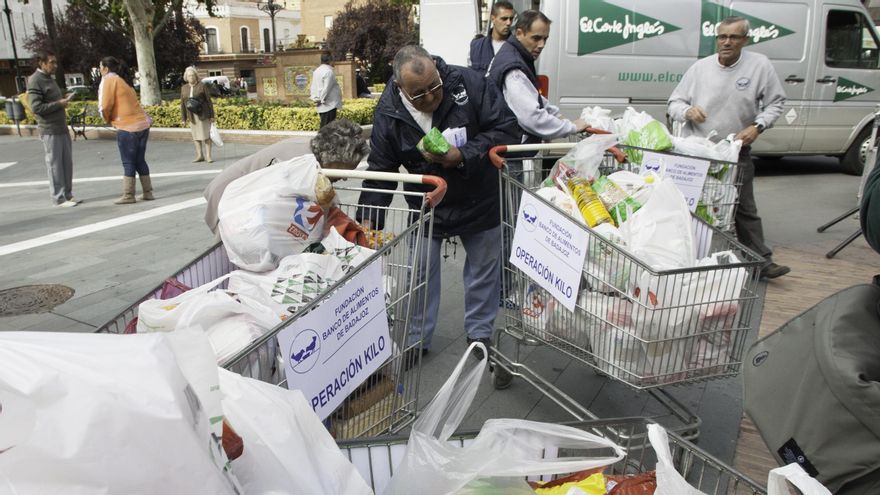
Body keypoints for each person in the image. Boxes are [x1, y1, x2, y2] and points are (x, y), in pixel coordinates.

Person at [357, 45, 520, 362]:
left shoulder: (469, 83)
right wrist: (366, 223)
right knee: (420, 272)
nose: (431, 97)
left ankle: (479, 334)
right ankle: (418, 340)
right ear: (400, 88)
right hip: (429, 204)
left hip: (479, 194)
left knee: (483, 271)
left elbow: (506, 129)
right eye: (420, 94)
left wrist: (464, 154)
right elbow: (381, 172)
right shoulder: (389, 112)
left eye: (435, 86)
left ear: (435, 66)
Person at [668, 16, 790, 280]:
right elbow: (673, 104)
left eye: (734, 37)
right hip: (697, 151)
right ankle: (684, 258)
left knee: (742, 206)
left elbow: (776, 103)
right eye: (722, 36)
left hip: (735, 150)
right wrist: (688, 111)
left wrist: (757, 126)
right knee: (690, 206)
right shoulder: (700, 69)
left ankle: (761, 261)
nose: (727, 42)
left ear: (745, 40)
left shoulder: (759, 66)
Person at [203, 118, 369, 235]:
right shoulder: (300, 164)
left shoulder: (310, 152)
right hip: (230, 203)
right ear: (334, 157)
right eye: (345, 170)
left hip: (240, 201)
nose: (344, 177)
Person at [485, 10, 588, 146]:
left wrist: (555, 115)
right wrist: (571, 127)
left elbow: (531, 94)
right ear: (520, 33)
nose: (541, 45)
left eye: (545, 39)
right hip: (510, 150)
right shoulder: (514, 68)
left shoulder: (513, 54)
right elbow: (531, 118)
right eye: (536, 38)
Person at [98, 56, 154, 204]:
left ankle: (129, 195)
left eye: (100, 67)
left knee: (128, 162)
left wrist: (107, 118)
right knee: (140, 160)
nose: (99, 70)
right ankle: (148, 192)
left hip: (127, 126)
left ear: (106, 68)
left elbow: (105, 105)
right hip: (142, 124)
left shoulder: (110, 80)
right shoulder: (124, 81)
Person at [27, 51, 79, 207]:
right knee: (55, 164)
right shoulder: (35, 80)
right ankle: (59, 197)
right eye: (51, 62)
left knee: (66, 163)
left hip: (61, 126)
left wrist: (64, 98)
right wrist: (59, 104)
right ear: (41, 63)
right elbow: (36, 107)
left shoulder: (50, 79)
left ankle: (68, 194)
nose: (54, 66)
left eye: (55, 62)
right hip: (49, 128)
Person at [468, 1, 515, 74]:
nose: (508, 23)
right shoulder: (476, 46)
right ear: (493, 19)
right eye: (504, 19)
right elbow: (470, 77)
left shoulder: (517, 47)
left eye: (511, 19)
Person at [180, 66, 215, 163]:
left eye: (192, 75)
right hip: (192, 116)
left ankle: (208, 156)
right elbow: (183, 104)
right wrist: (183, 118)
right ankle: (200, 155)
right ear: (186, 77)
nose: (191, 77)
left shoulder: (202, 86)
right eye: (189, 76)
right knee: (196, 136)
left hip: (203, 114)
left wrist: (212, 116)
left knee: (206, 136)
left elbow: (209, 101)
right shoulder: (184, 88)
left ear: (196, 76)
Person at [310, 54, 343, 128]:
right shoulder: (328, 72)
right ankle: (322, 139)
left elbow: (313, 87)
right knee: (327, 127)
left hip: (322, 103)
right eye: (333, 60)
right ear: (330, 61)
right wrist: (321, 100)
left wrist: (315, 98)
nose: (334, 63)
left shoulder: (317, 71)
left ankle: (323, 139)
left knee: (325, 125)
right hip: (329, 104)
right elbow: (326, 88)